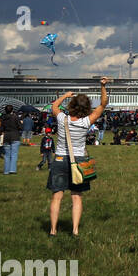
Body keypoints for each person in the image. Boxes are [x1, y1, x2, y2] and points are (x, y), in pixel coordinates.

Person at [46, 78, 110, 237]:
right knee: (76, 197)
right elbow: (103, 104)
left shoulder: (62, 119)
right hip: (79, 160)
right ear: (87, 107)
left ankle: (53, 230)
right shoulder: (87, 121)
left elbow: (54, 106)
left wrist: (65, 96)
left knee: (57, 196)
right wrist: (103, 86)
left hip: (60, 158)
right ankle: (75, 230)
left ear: (72, 106)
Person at [0, 107, 23, 174]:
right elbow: (20, 127)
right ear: (12, 110)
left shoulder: (3, 118)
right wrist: (21, 123)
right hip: (15, 136)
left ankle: (6, 171)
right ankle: (12, 170)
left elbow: (1, 129)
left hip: (6, 136)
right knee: (14, 154)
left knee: (7, 155)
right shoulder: (15, 117)